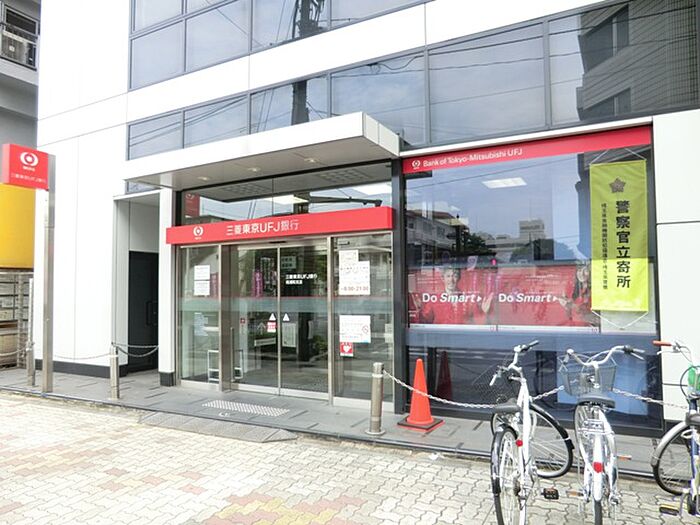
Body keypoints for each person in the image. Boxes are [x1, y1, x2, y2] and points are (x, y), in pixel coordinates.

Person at [557, 261, 597, 326]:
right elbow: (568, 310)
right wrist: (567, 305)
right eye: (579, 270)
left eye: (585, 271)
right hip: (576, 324)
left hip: (591, 324)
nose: (582, 274)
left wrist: (574, 306)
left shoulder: (596, 287)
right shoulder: (570, 285)